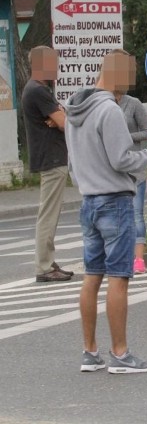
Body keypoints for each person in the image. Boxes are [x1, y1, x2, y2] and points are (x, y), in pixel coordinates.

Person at [65, 50, 147, 373]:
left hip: (88, 202)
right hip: (115, 201)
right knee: (119, 278)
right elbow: (122, 159)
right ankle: (121, 355)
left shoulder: (73, 112)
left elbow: (72, 165)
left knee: (91, 277)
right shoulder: (109, 111)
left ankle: (89, 352)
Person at [21, 46, 73, 283]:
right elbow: (64, 123)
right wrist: (60, 116)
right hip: (51, 157)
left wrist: (60, 115)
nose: (57, 68)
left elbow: (60, 118)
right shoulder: (38, 91)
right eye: (53, 63)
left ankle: (48, 262)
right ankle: (44, 266)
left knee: (49, 213)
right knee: (48, 214)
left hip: (51, 157)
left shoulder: (38, 89)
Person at [114, 88, 147, 274]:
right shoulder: (101, 104)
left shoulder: (133, 103)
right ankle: (121, 257)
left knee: (136, 213)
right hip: (112, 170)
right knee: (115, 216)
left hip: (135, 167)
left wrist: (126, 137)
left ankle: (139, 259)